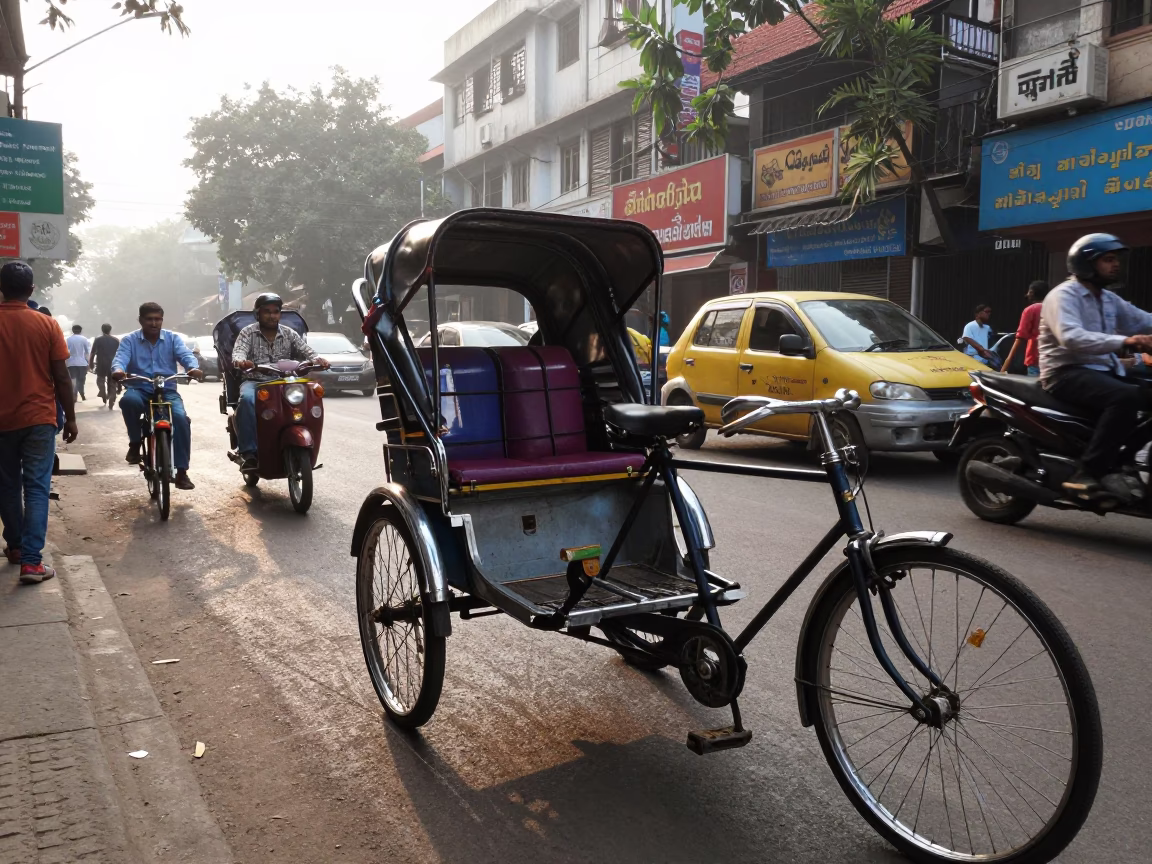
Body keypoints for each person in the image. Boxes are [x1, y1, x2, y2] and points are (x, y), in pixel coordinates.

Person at [1040, 233, 1152, 502]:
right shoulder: (1063, 296)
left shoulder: (1109, 299)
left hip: (1103, 372)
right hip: (1065, 372)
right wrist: (1124, 340)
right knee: (1125, 397)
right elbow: (1071, 337)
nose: (1115, 265)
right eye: (1108, 260)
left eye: (1116, 260)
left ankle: (1124, 462)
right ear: (1086, 263)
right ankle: (1088, 471)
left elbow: (1144, 321)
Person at [0, 262, 77, 584]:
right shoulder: (46, 324)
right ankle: (31, 563)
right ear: (32, 290)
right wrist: (70, 417)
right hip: (39, 419)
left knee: (6, 485)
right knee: (36, 488)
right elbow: (61, 376)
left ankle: (16, 547)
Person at [111, 302, 204, 490]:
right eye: (149, 319)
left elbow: (186, 355)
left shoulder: (172, 339)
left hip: (167, 389)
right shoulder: (130, 340)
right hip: (139, 387)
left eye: (157, 319)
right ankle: (135, 443)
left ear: (162, 320)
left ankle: (182, 472)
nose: (154, 323)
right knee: (128, 401)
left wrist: (192, 368)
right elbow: (120, 358)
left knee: (180, 419)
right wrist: (119, 370)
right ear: (141, 320)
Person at [231, 293, 328, 469]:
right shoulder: (247, 333)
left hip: (284, 382)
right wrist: (241, 361)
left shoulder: (289, 333)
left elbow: (307, 351)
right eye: (267, 312)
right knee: (246, 401)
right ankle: (248, 453)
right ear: (258, 314)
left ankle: (304, 442)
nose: (271, 315)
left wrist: (319, 359)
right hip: (255, 381)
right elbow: (238, 353)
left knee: (310, 397)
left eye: (276, 312)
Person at [1001, 281, 1049, 376]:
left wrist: (1006, 365)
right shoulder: (1054, 308)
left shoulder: (1030, 310)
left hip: (1035, 359)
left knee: (1035, 390)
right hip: (1052, 360)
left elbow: (1020, 338)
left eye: (1029, 292)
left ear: (1032, 292)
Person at [90, 323, 121, 406]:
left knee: (100, 380)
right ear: (110, 330)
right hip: (113, 364)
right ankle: (112, 397)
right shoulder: (116, 340)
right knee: (112, 382)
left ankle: (102, 392)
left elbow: (92, 353)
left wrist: (91, 364)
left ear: (102, 329)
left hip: (101, 363)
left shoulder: (98, 339)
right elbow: (120, 353)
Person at [65, 324, 91, 402]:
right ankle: (82, 393)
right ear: (80, 330)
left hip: (71, 363)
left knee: (73, 379)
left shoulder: (68, 339)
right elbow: (87, 352)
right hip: (82, 363)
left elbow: (66, 352)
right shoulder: (84, 339)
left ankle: (74, 394)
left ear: (72, 330)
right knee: (81, 379)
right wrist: (89, 363)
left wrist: (65, 362)